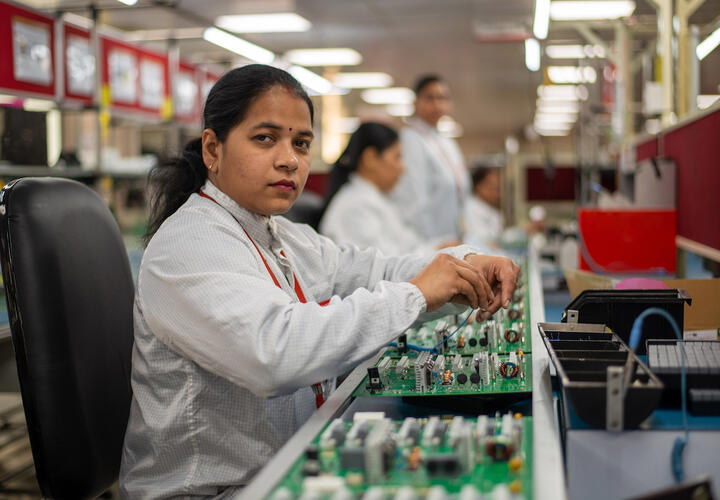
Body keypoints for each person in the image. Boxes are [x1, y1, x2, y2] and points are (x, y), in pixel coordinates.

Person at [119, 64, 519, 498]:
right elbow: (273, 353)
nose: (289, 158)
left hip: (283, 465)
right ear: (213, 149)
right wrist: (416, 295)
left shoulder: (283, 233)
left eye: (302, 143)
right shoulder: (190, 243)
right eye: (265, 138)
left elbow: (374, 270)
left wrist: (465, 263)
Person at [320, 122, 459, 255]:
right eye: (397, 157)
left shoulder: (379, 200)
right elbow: (382, 268)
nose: (403, 167)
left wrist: (439, 247)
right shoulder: (354, 207)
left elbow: (409, 247)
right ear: (370, 158)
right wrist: (436, 252)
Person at [391, 74, 470, 241]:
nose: (437, 104)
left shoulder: (446, 142)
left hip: (451, 236)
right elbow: (415, 200)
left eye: (442, 98)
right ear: (415, 102)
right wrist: (428, 247)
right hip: (428, 240)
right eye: (430, 98)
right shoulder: (411, 140)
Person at [464, 166, 504, 247]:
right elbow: (481, 242)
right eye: (491, 186)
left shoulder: (492, 209)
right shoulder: (470, 209)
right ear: (478, 186)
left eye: (498, 187)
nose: (496, 192)